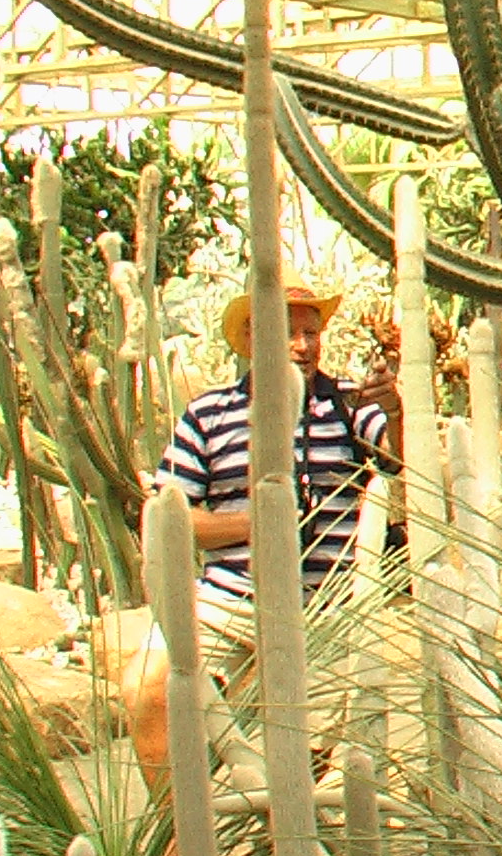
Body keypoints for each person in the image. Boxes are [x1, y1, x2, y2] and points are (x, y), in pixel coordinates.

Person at [122, 266, 401, 792]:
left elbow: (397, 459)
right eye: (286, 332)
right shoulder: (209, 414)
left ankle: (289, 825)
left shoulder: (347, 403)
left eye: (311, 332)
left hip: (323, 608)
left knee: (303, 761)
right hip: (230, 600)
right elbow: (170, 518)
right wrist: (259, 522)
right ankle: (178, 834)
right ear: (251, 338)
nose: (302, 345)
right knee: (146, 690)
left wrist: (395, 410)